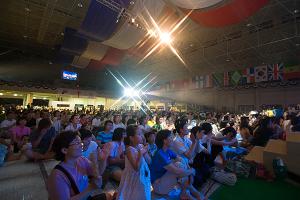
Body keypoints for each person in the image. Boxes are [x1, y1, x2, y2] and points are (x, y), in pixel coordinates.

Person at [47, 131, 111, 200]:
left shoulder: (81, 160)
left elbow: (98, 173)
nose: (81, 145)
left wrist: (103, 159)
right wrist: (91, 187)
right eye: (77, 143)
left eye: (80, 142)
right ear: (65, 150)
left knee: (113, 194)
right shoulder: (58, 176)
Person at [150, 130, 203, 200]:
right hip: (159, 186)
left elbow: (182, 160)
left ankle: (186, 193)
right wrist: (191, 171)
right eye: (171, 137)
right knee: (179, 166)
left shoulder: (167, 150)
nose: (173, 138)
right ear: (164, 140)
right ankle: (186, 193)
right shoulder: (160, 154)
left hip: (164, 179)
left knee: (181, 162)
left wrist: (190, 172)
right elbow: (177, 171)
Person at [117, 125, 151, 200]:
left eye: (141, 134)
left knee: (143, 193)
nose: (142, 136)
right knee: (131, 195)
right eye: (139, 134)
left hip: (142, 176)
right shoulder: (129, 149)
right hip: (133, 177)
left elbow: (149, 161)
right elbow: (136, 168)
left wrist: (145, 152)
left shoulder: (141, 146)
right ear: (131, 138)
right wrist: (141, 153)